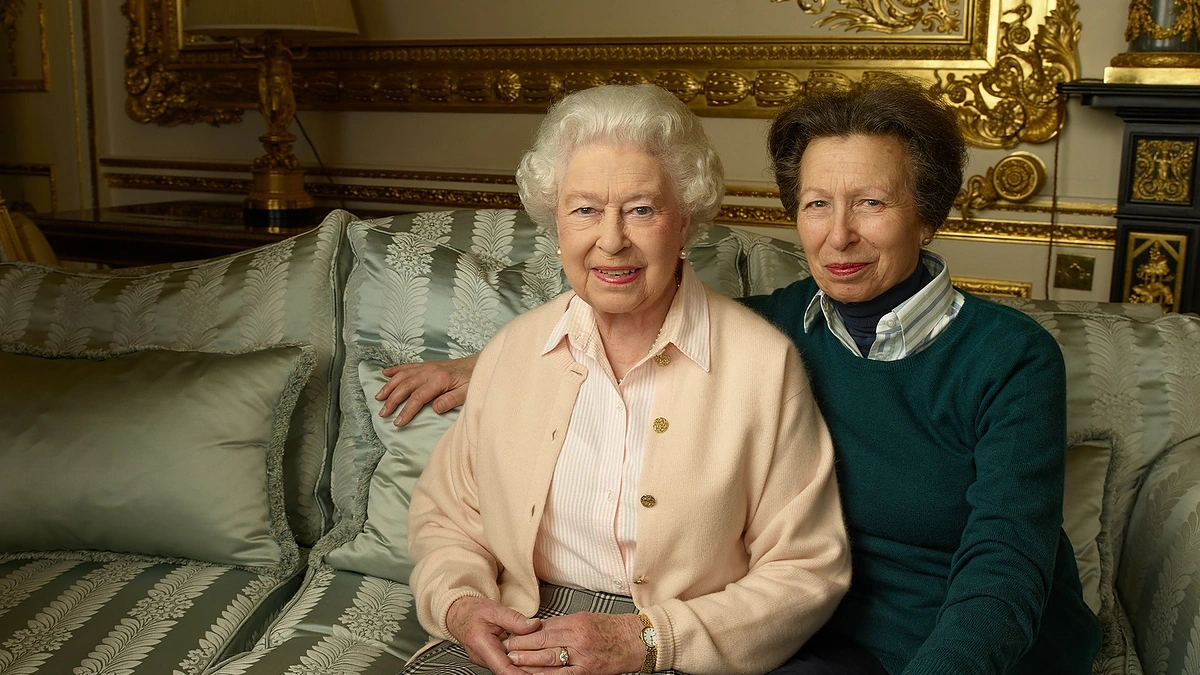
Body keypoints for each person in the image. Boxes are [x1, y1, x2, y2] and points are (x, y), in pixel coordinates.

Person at [380, 77, 1104, 675]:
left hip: (970, 646)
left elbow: (1004, 566)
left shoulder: (1010, 356)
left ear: (929, 215)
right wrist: (492, 363)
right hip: (817, 638)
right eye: (817, 203)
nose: (839, 233)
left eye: (872, 202)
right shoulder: (777, 325)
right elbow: (643, 322)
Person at [401, 84, 851, 675]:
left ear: (684, 221)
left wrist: (651, 639)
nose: (611, 240)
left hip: (679, 643)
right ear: (555, 220)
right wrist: (460, 605)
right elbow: (447, 517)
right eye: (585, 209)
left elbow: (807, 568)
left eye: (641, 209)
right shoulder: (515, 351)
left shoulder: (763, 365)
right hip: (521, 627)